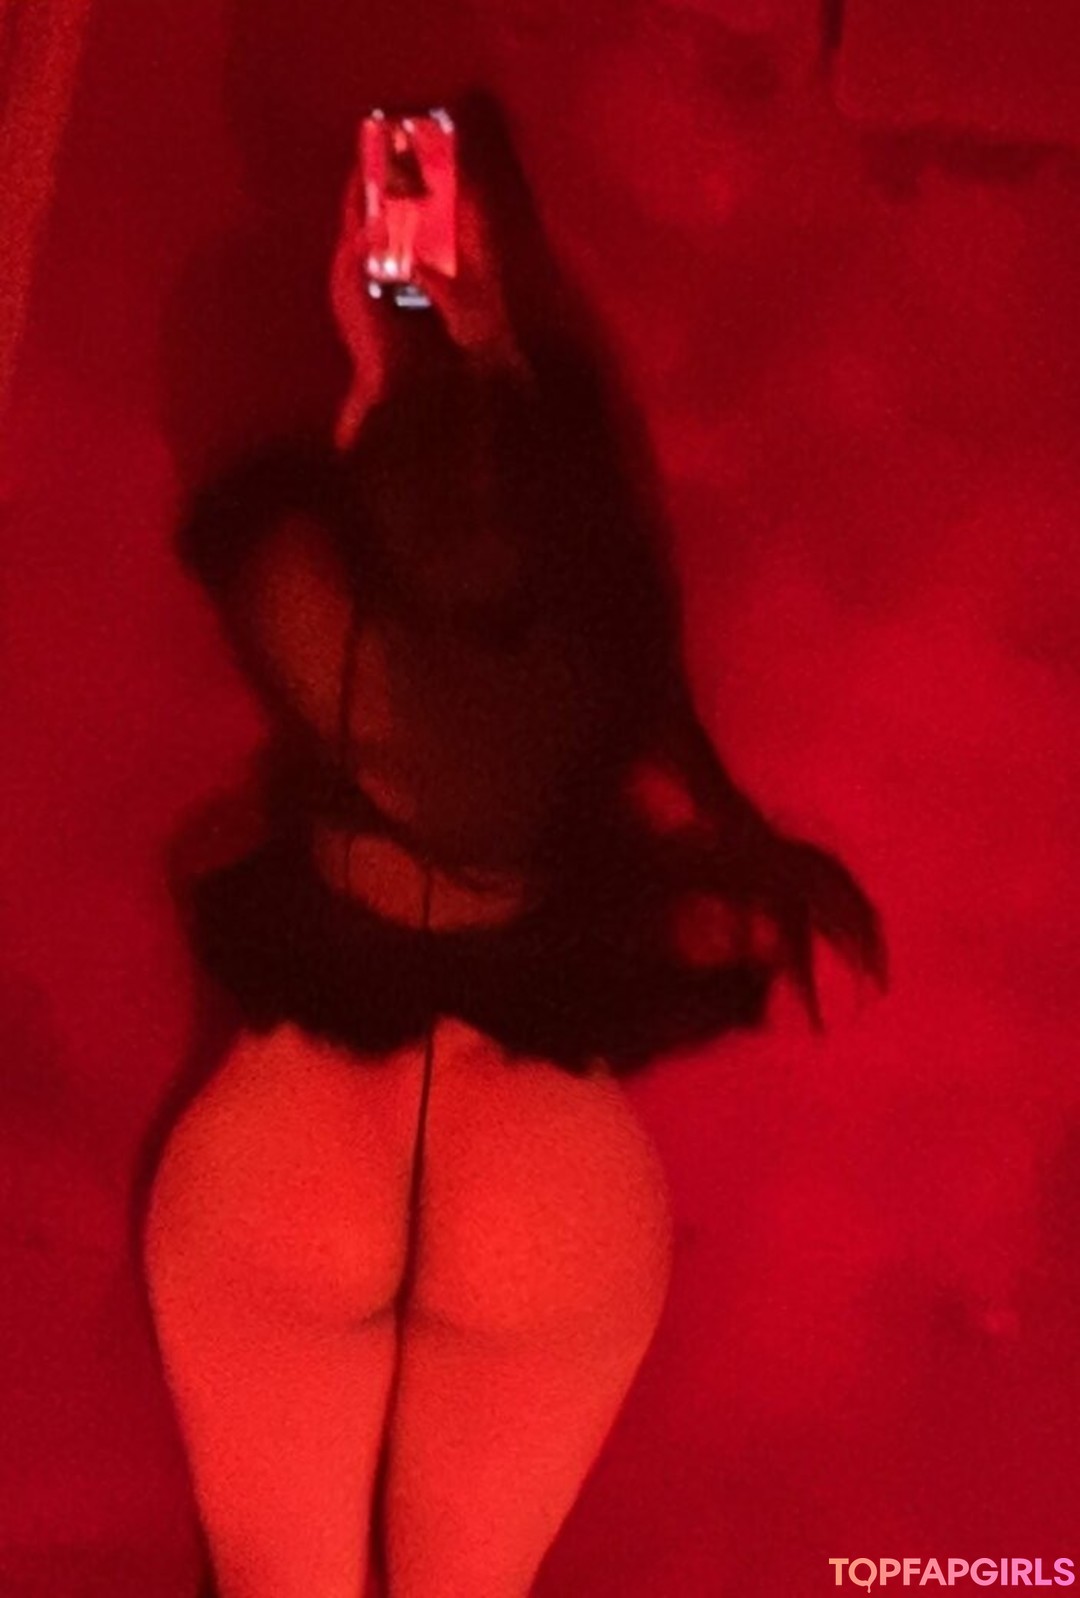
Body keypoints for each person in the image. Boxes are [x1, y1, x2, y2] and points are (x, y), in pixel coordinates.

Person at [139, 95, 888, 1598]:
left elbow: (335, 605)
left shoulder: (293, 572)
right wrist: (495, 361)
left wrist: (379, 383)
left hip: (299, 1132)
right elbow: (534, 569)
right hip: (545, 1161)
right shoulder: (615, 606)